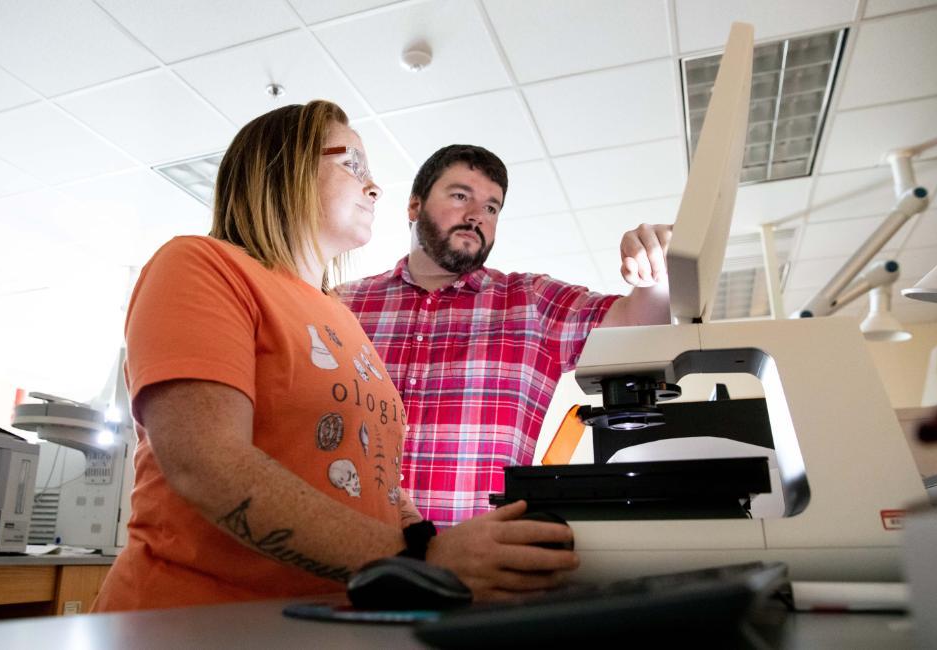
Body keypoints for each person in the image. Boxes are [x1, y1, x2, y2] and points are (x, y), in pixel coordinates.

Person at [92, 103, 577, 612]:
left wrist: (435, 538)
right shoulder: (200, 266)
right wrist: (424, 556)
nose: (374, 188)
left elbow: (378, 480)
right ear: (286, 167)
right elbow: (207, 463)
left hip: (314, 621)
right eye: (354, 166)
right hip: (192, 621)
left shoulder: (340, 316)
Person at [340, 144, 672, 528]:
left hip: (482, 573)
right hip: (347, 558)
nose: (476, 216)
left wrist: (659, 273)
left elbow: (635, 330)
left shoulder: (531, 302)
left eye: (491, 207)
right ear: (414, 207)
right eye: (461, 195)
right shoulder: (344, 302)